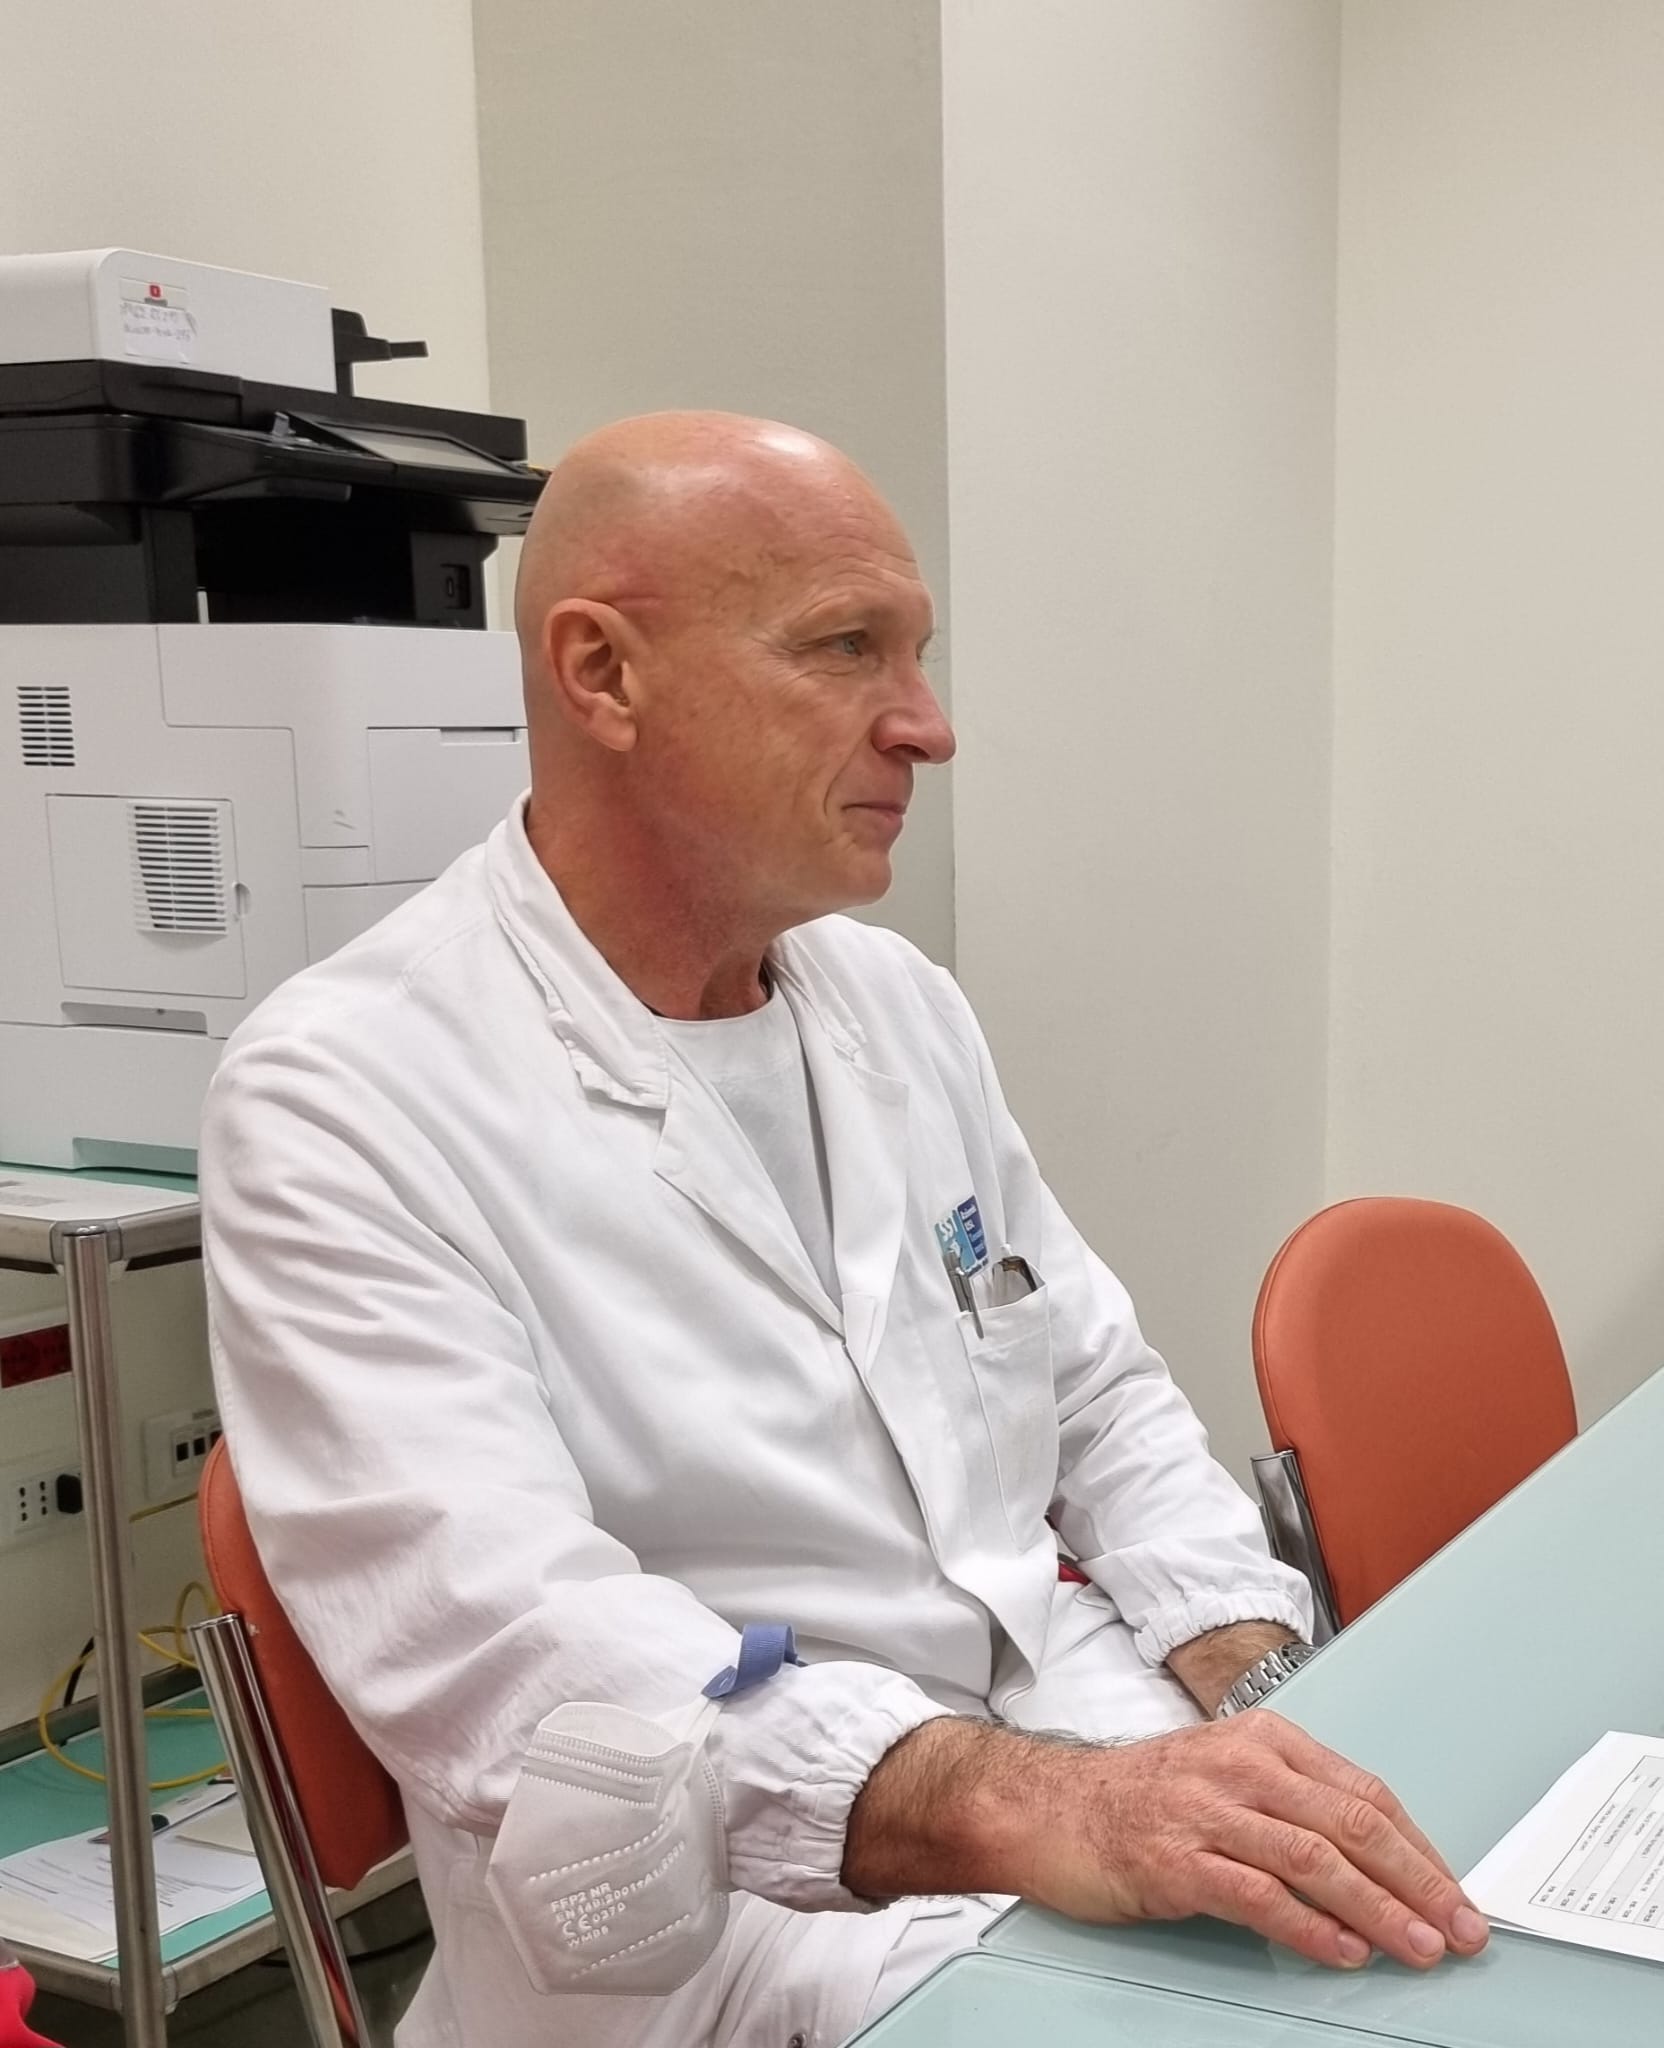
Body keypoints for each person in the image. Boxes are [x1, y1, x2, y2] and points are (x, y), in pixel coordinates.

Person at [200, 413, 1487, 2048]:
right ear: (602, 674)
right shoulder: (343, 1093)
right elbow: (519, 1651)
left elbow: (1095, 1388)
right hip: (718, 1899)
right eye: (844, 649)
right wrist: (1042, 1805)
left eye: (917, 654)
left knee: (1442, 1942)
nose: (927, 726)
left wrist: (1260, 1685)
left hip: (1055, 1735)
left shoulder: (893, 1002)